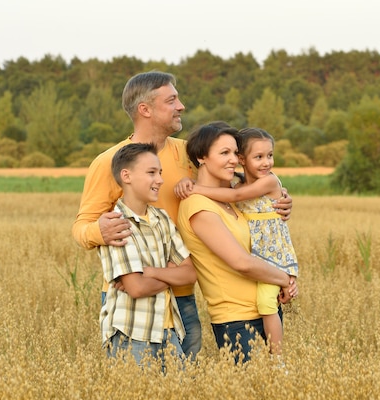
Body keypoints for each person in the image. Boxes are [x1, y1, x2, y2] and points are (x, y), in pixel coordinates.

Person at [71, 71, 294, 360]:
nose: (181, 106)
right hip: (131, 291)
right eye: (172, 99)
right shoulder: (110, 162)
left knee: (183, 377)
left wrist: (280, 198)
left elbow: (238, 191)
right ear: (145, 109)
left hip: (183, 290)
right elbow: (81, 227)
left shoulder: (189, 154)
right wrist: (99, 231)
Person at [176, 123, 298, 363]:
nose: (233, 160)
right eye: (224, 153)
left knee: (274, 392)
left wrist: (283, 201)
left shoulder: (232, 198)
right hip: (237, 320)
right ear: (202, 157)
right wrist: (285, 279)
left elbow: (260, 215)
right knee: (253, 395)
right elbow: (241, 262)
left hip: (265, 308)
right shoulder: (198, 205)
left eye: (235, 153)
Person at [99, 142, 197, 370]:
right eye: (152, 172)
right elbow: (137, 289)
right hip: (131, 334)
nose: (160, 180)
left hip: (169, 331)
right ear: (127, 176)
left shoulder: (161, 218)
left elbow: (191, 274)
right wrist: (171, 272)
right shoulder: (116, 224)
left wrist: (150, 272)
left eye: (160, 172)